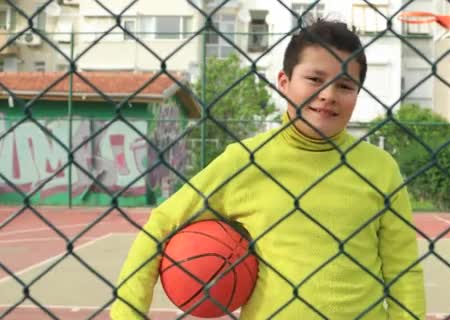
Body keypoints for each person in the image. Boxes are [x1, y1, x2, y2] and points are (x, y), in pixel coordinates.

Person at [111, 18, 426, 319]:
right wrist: (127, 314)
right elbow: (161, 223)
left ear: (357, 94)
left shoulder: (380, 168)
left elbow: (403, 269)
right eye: (315, 79)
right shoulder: (246, 160)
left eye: (344, 85)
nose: (328, 95)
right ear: (285, 83)